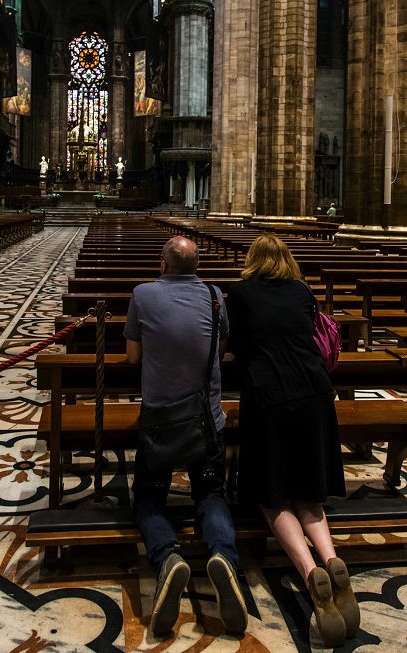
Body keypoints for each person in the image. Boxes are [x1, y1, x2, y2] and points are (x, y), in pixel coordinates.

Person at [226, 234, 359, 648]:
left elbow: (233, 344)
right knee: (309, 493)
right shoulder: (303, 291)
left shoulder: (241, 293)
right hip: (316, 393)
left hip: (270, 396)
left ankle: (308, 572)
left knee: (274, 496)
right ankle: (333, 560)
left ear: (251, 261)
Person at [125, 236, 247, 638]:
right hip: (206, 419)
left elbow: (132, 358)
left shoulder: (143, 295)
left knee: (148, 496)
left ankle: (167, 558)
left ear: (162, 264)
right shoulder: (215, 296)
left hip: (159, 419)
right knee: (210, 494)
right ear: (197, 266)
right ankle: (223, 559)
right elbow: (222, 348)